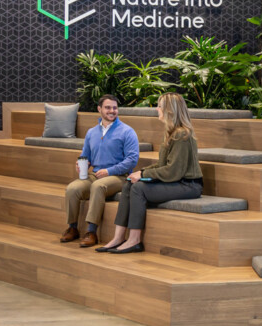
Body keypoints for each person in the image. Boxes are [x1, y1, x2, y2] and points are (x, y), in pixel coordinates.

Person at [98, 92, 204, 253]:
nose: (157, 109)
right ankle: (118, 237)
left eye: (159, 106)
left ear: (169, 110)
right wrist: (141, 172)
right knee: (129, 183)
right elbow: (162, 165)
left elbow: (173, 171)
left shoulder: (182, 134)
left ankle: (134, 240)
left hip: (188, 185)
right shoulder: (171, 133)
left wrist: (144, 175)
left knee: (139, 189)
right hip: (176, 181)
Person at [60, 94, 141, 248]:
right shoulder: (92, 132)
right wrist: (81, 162)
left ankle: (92, 232)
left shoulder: (127, 131)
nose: (112, 111)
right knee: (72, 188)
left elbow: (132, 160)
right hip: (95, 174)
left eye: (115, 108)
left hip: (120, 176)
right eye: (108, 107)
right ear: (99, 109)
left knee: (98, 186)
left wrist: (109, 171)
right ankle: (72, 227)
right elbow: (86, 155)